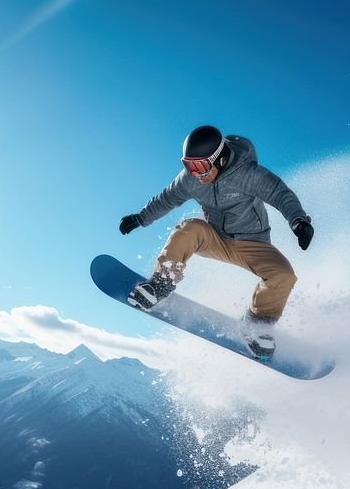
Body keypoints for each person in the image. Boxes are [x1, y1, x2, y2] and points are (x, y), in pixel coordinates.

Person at [119, 125, 314, 358]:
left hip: (253, 242)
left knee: (284, 275)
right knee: (189, 228)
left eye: (200, 166)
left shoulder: (248, 173)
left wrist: (299, 221)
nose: (196, 174)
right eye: (189, 166)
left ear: (219, 159)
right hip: (214, 238)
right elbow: (167, 198)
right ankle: (161, 283)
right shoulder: (191, 179)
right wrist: (141, 217)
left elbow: (281, 194)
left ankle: (257, 324)